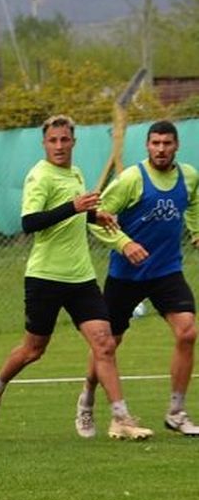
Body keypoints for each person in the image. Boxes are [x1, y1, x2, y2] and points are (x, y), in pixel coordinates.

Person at [0, 114, 153, 439]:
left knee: (105, 343)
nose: (59, 145)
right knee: (33, 349)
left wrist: (94, 216)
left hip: (81, 277)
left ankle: (120, 418)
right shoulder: (39, 176)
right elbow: (30, 223)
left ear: (73, 142)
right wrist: (74, 207)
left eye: (64, 139)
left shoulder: (75, 172)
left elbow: (76, 215)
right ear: (44, 144)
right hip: (45, 276)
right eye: (53, 140)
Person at [76, 120, 199, 437]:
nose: (161, 149)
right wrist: (124, 243)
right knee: (108, 344)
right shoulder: (132, 178)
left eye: (167, 143)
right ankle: (87, 397)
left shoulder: (188, 176)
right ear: (147, 146)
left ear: (176, 146)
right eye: (155, 143)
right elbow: (95, 218)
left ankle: (176, 412)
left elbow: (193, 204)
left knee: (187, 333)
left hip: (166, 271)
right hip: (126, 275)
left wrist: (196, 231)